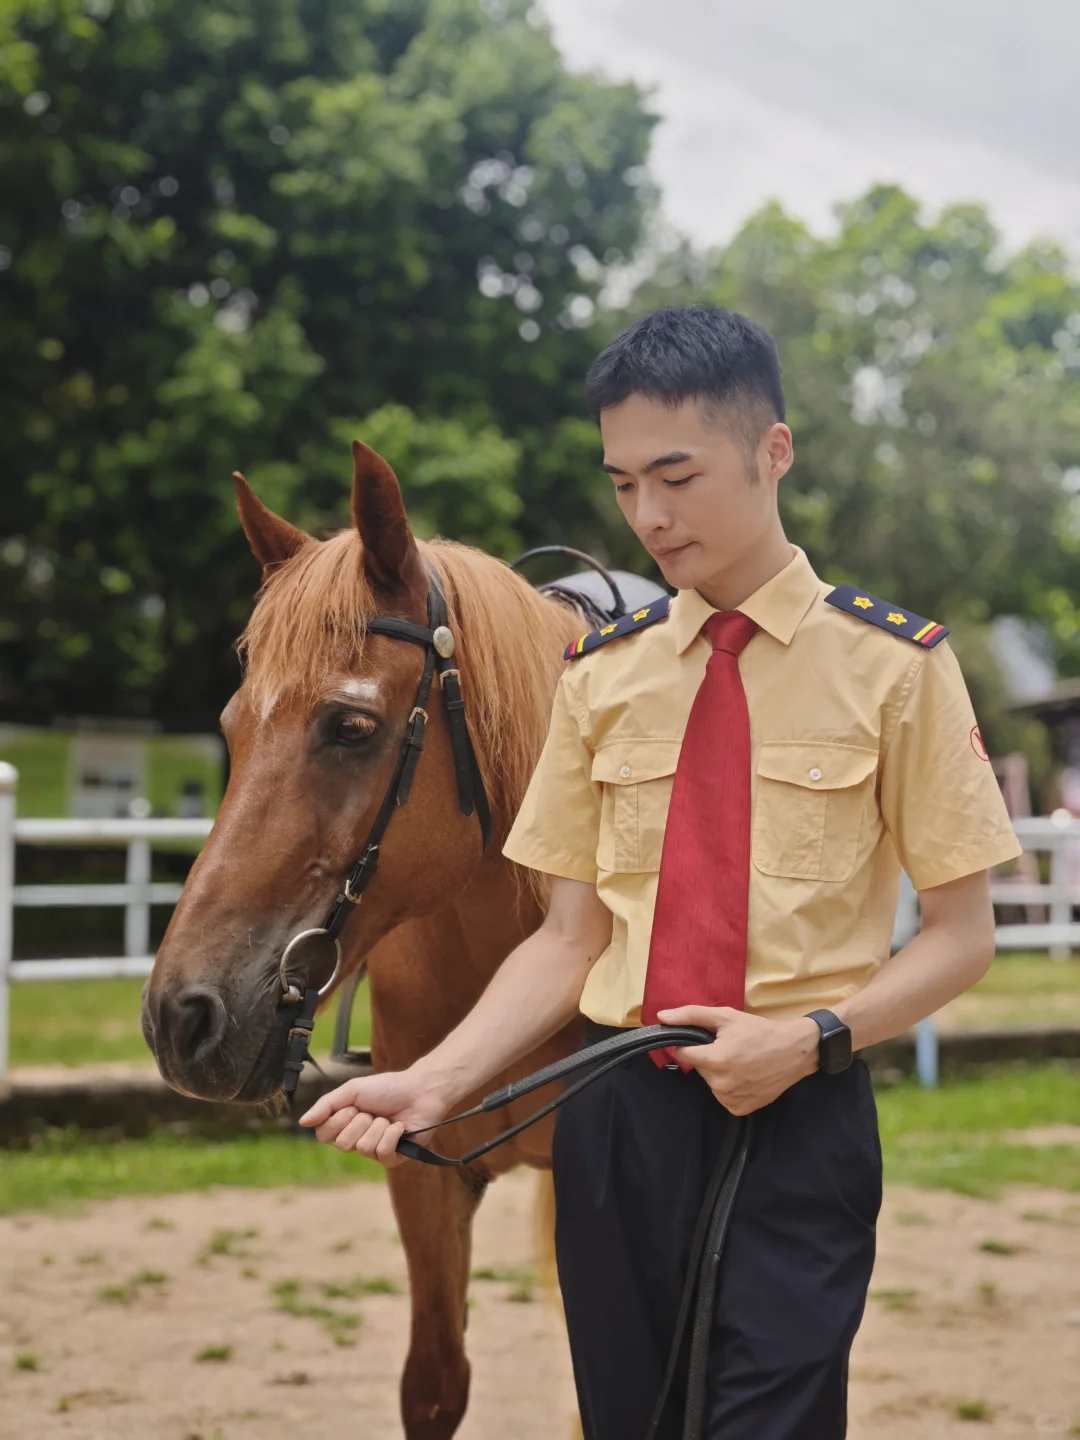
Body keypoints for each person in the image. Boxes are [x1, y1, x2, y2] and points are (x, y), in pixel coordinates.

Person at [300, 305, 1021, 1439]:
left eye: (675, 476)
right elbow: (567, 939)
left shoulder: (898, 671)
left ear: (771, 450)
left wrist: (815, 1037)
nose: (648, 515)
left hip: (800, 1115)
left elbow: (960, 932)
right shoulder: (601, 678)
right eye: (624, 481)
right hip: (616, 1114)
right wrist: (437, 1082)